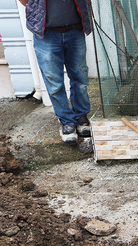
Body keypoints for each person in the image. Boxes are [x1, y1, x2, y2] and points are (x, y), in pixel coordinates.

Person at [20, 0, 93, 146]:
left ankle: (81, 116)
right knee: (54, 83)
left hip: (75, 30)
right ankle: (67, 121)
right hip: (47, 34)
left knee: (80, 78)